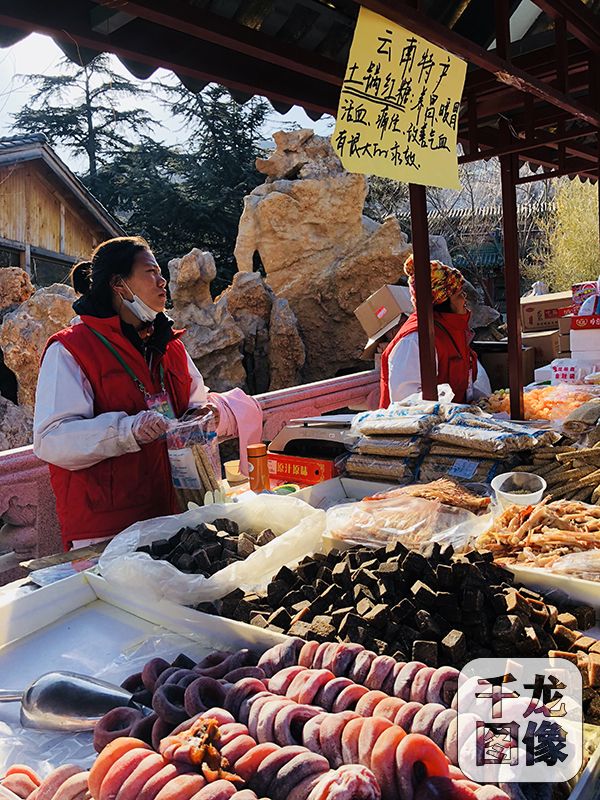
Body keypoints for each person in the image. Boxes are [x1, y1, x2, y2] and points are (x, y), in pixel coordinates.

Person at [33, 236, 262, 550]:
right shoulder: (71, 349)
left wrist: (206, 413)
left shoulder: (169, 344)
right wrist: (128, 430)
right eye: (150, 272)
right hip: (108, 530)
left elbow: (196, 401)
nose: (162, 280)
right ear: (119, 284)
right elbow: (51, 439)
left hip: (177, 513)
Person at [379, 255, 491, 406]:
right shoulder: (414, 339)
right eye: (459, 295)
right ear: (442, 301)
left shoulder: (452, 329)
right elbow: (405, 402)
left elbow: (467, 383)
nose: (464, 300)